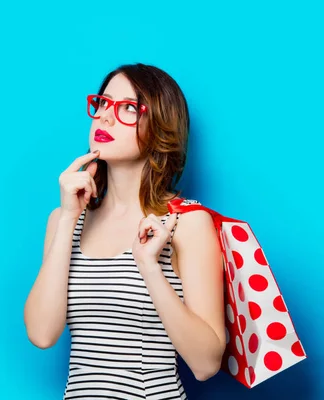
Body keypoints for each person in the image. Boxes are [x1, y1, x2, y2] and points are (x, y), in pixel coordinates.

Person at [23, 63, 226, 399]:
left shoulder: (185, 222)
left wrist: (149, 267)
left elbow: (206, 365)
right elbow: (42, 334)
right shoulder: (64, 220)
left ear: (161, 126)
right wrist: (69, 219)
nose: (105, 116)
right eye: (102, 103)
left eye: (129, 108)